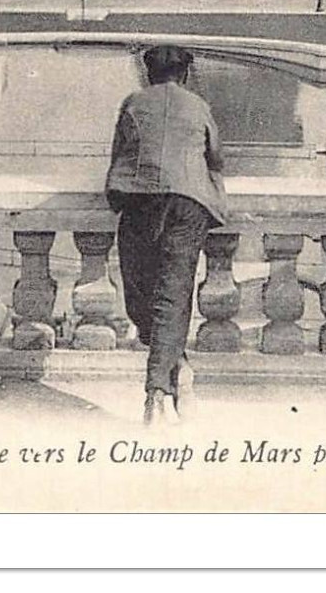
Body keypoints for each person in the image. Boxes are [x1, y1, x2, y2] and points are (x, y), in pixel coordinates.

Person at [106, 46, 227, 425]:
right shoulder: (198, 106)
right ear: (185, 74)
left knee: (144, 296)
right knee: (166, 298)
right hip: (185, 203)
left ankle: (155, 395)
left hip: (145, 198)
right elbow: (216, 158)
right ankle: (181, 373)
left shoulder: (133, 102)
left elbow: (118, 154)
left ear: (148, 74)